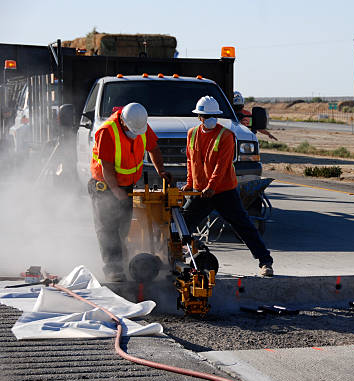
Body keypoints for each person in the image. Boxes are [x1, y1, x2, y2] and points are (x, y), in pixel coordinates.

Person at [181, 96, 274, 277]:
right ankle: (179, 255)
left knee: (243, 226)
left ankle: (265, 262)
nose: (210, 119)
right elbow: (190, 161)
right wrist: (190, 183)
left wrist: (211, 186)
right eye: (206, 116)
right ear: (199, 117)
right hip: (201, 192)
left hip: (223, 191)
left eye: (213, 115)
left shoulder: (226, 135)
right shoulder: (192, 133)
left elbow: (222, 165)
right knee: (181, 226)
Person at [89, 102, 170, 282]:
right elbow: (107, 167)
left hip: (126, 186)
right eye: (132, 130)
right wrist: (116, 190)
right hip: (104, 186)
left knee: (123, 228)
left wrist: (161, 171)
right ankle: (113, 269)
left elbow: (153, 148)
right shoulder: (107, 132)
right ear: (124, 122)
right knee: (107, 229)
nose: (135, 135)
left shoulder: (140, 125)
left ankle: (123, 264)